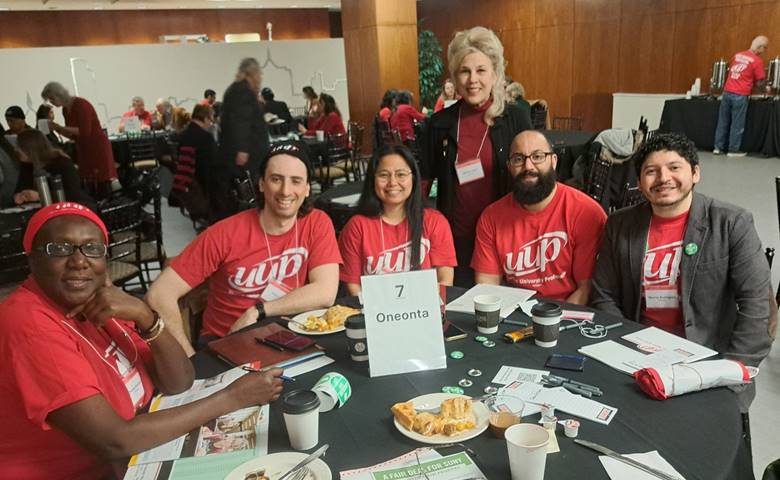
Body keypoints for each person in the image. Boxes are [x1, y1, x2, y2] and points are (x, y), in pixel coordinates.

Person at [0, 202, 284, 479]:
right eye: (60, 249)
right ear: (31, 258)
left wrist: (145, 315)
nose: (79, 261)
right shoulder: (29, 324)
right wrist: (232, 398)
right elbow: (113, 440)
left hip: (139, 450)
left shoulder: (101, 300)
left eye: (92, 248)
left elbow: (179, 380)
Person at [590, 133, 773, 407]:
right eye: (651, 171)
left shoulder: (731, 223)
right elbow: (603, 294)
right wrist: (627, 346)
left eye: (674, 167)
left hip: (709, 361)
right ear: (640, 182)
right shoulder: (620, 225)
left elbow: (757, 306)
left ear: (695, 173)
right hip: (638, 355)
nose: (664, 178)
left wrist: (728, 372)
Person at [147, 142, 342, 356]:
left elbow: (325, 292)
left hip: (289, 338)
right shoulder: (224, 234)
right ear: (261, 184)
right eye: (276, 179)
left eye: (296, 181)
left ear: (307, 188)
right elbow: (159, 294)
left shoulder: (317, 223)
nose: (285, 191)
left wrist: (258, 311)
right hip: (227, 344)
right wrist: (190, 359)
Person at [421, 26, 532, 287]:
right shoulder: (439, 123)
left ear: (495, 73)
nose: (473, 80)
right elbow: (422, 186)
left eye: (481, 70)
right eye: (464, 71)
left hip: (507, 241)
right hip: (456, 242)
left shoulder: (516, 118)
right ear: (455, 77)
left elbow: (533, 178)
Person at [471, 130, 606, 304]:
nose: (528, 166)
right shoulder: (491, 217)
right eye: (518, 159)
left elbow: (586, 290)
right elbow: (487, 287)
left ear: (554, 161)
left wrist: (554, 320)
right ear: (509, 166)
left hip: (569, 311)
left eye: (537, 156)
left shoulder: (587, 213)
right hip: (513, 311)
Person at [339, 144, 456, 295]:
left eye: (401, 174)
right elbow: (353, 287)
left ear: (413, 178)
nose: (392, 182)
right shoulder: (357, 226)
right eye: (383, 175)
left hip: (425, 307)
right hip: (372, 308)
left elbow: (445, 279)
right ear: (372, 180)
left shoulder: (435, 222)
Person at [215, 57, 270, 221]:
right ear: (252, 74)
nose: (260, 78)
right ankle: (252, 218)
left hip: (238, 150)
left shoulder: (234, 90)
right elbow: (241, 121)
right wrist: (243, 149)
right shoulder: (243, 92)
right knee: (249, 188)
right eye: (259, 74)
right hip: (248, 152)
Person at [41, 81, 118, 194]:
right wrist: (56, 128)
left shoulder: (81, 105)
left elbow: (84, 131)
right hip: (83, 148)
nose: (52, 102)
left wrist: (59, 127)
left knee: (101, 183)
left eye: (52, 99)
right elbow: (71, 135)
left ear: (59, 94)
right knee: (89, 183)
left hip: (96, 147)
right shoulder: (65, 109)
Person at [714, 35, 770, 157]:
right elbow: (760, 82)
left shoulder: (737, 55)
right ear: (760, 47)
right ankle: (733, 149)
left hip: (727, 92)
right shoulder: (757, 61)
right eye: (765, 48)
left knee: (723, 121)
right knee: (737, 123)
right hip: (740, 94)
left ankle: (718, 147)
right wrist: (766, 89)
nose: (764, 51)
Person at [13, 129, 95, 209]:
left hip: (71, 207)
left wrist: (40, 196)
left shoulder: (62, 163)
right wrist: (18, 196)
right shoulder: (26, 165)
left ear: (31, 148)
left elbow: (73, 193)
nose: (16, 149)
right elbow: (20, 188)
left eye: (20, 147)